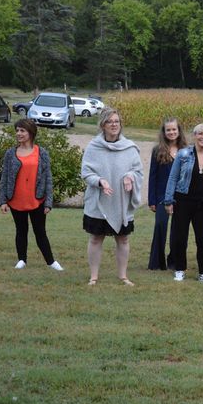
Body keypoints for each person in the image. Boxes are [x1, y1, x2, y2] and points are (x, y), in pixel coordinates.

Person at [81, 108, 143, 286]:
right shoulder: (93, 147)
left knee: (123, 238)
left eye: (117, 121)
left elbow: (138, 171)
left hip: (121, 202)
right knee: (95, 238)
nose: (114, 124)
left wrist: (130, 177)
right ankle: (93, 276)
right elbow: (86, 172)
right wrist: (100, 181)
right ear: (102, 125)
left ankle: (123, 276)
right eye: (110, 121)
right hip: (98, 202)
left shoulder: (130, 148)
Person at [0, 119, 63, 271]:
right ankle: (22, 260)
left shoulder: (42, 153)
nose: (18, 134)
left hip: (37, 200)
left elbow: (48, 178)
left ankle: (51, 262)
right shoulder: (10, 154)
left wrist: (48, 202)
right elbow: (5, 178)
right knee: (21, 230)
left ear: (31, 133)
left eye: (22, 131)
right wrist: (3, 200)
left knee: (40, 231)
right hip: (16, 200)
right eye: (17, 130)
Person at [164, 124, 203, 283]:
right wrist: (169, 200)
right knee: (180, 237)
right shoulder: (183, 154)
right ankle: (179, 269)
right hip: (182, 200)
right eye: (201, 134)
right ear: (194, 135)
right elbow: (173, 178)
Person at [147, 117, 187, 270]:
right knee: (160, 225)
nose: (171, 132)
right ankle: (157, 262)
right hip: (161, 196)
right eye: (168, 130)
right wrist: (152, 200)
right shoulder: (157, 150)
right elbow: (153, 176)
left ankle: (174, 261)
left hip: (181, 197)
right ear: (164, 132)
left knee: (177, 230)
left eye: (174, 129)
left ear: (179, 131)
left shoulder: (187, 151)